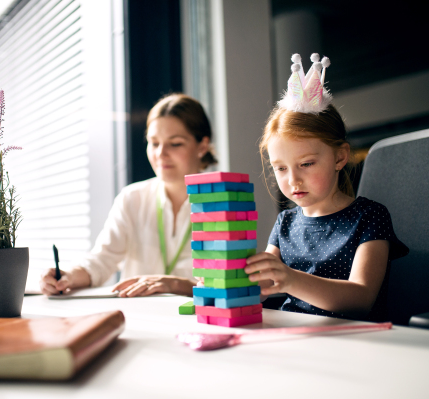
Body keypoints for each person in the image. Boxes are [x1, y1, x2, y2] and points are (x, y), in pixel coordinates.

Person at [245, 53, 408, 320]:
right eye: (281, 168)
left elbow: (361, 298)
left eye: (306, 164)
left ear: (340, 157)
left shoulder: (370, 217)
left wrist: (289, 279)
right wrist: (236, 285)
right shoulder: (285, 222)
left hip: (357, 342)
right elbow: (264, 286)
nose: (293, 180)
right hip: (297, 336)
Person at [40, 94, 217, 297]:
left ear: (202, 146)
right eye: (154, 143)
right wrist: (67, 276)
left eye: (175, 143)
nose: (160, 153)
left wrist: (175, 284)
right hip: (139, 317)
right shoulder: (133, 198)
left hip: (199, 321)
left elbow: (225, 284)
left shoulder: (223, 202)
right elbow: (101, 260)